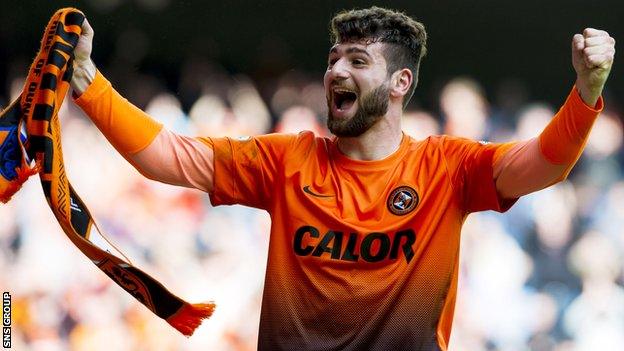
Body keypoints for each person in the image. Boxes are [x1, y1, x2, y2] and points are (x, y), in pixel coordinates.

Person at [69, 6, 615, 351]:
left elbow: (546, 164)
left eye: (357, 60)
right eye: (333, 59)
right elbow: (165, 155)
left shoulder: (449, 168)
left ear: (400, 82)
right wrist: (89, 82)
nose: (335, 71)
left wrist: (587, 90)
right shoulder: (286, 161)